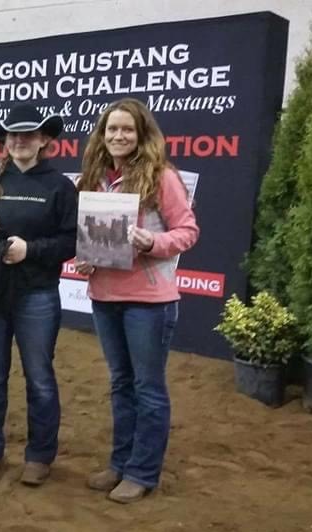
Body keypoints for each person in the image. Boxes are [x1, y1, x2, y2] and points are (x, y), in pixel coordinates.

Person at [75, 97, 199, 503]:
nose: (118, 136)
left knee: (148, 388)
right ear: (102, 134)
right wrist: (87, 261)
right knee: (120, 383)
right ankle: (119, 463)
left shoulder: (162, 177)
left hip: (149, 302)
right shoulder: (93, 177)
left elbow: (187, 230)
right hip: (105, 297)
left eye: (127, 129)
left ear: (142, 134)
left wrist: (154, 241)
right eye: (112, 129)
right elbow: (91, 237)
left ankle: (143, 472)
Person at [0, 103, 77, 486]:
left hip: (37, 294)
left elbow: (69, 242)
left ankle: (39, 456)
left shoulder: (59, 187)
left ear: (44, 139)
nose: (19, 140)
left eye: (28, 134)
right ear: (4, 140)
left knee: (40, 378)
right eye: (13, 134)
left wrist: (30, 250)